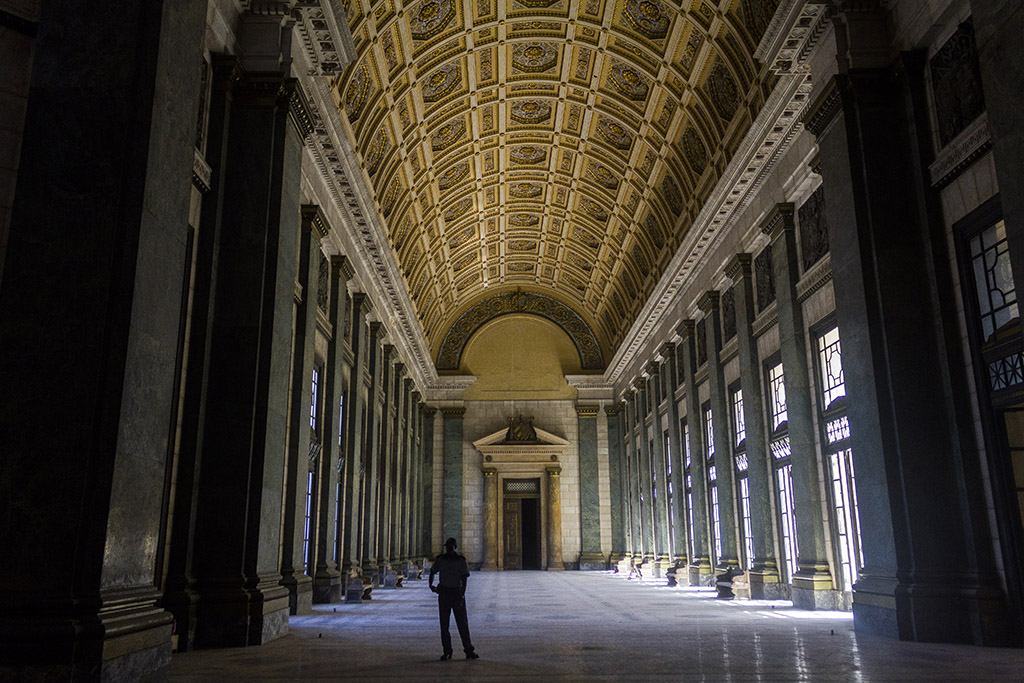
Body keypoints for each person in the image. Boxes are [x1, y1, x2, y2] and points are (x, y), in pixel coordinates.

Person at [428, 537, 479, 661]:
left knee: (462, 624)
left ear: (455, 547)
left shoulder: (461, 561)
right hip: (444, 593)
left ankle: (468, 650)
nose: (449, 549)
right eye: (448, 547)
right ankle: (447, 651)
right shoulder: (441, 560)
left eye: (451, 547)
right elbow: (432, 571)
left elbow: (464, 580)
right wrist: (431, 585)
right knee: (444, 625)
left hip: (456, 594)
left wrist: (462, 595)